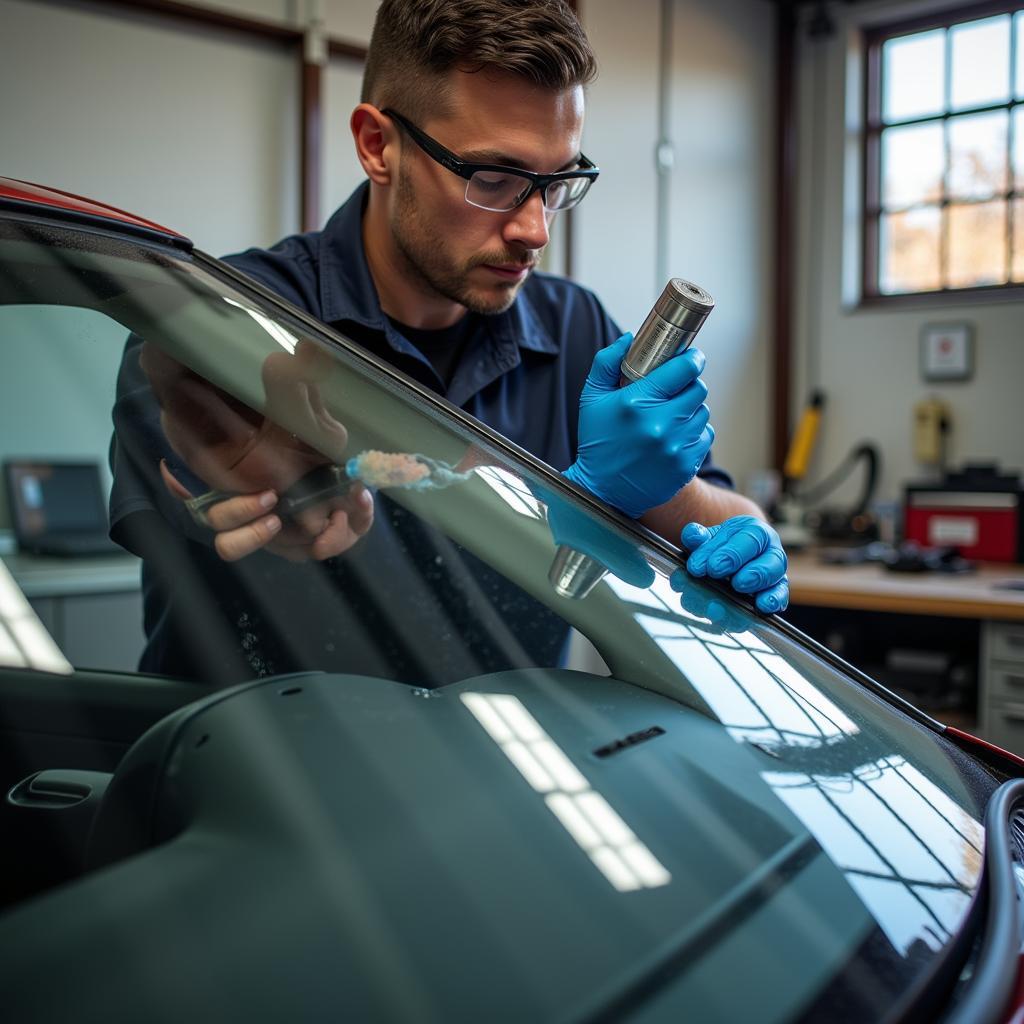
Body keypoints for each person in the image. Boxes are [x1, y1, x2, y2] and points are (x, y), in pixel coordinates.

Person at [110, 0, 787, 683]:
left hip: (508, 770)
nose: (536, 230)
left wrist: (687, 511)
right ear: (379, 146)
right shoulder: (226, 318)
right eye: (493, 179)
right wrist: (268, 504)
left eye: (558, 183)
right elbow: (189, 495)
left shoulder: (575, 329)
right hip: (257, 771)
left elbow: (725, 513)